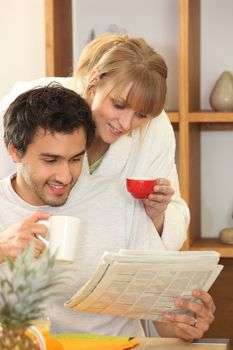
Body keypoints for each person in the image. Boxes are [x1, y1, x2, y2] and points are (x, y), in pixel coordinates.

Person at [0, 84, 215, 341]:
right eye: (51, 160)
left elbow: (164, 319)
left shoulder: (120, 202)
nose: (65, 176)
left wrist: (187, 323)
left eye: (76, 159)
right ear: (15, 151)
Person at [0, 33, 189, 250]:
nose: (126, 124)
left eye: (141, 115)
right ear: (93, 83)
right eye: (118, 105)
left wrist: (158, 213)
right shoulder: (34, 106)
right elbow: (15, 192)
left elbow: (168, 232)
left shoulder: (155, 128)